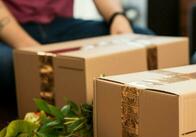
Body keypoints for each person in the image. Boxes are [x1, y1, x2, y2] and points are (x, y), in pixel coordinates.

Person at [0, 0, 152, 103]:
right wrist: (29, 49)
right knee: (7, 65)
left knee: (144, 39)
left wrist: (116, 17)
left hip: (62, 24)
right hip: (10, 31)